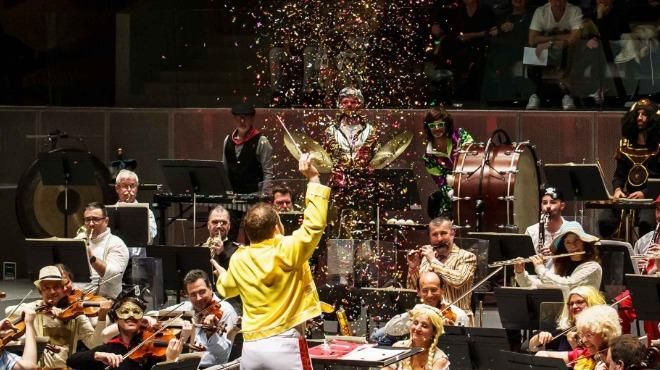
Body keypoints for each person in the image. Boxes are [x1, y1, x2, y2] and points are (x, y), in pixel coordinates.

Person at [212, 154, 328, 370]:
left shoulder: (239, 258)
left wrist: (221, 275)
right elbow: (314, 226)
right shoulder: (287, 248)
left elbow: (227, 289)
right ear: (277, 227)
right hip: (286, 343)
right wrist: (313, 178)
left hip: (252, 347)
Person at [102, 270, 238, 368]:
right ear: (186, 295)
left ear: (210, 288)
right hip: (181, 362)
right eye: (193, 294)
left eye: (202, 292)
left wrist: (212, 334)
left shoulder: (225, 310)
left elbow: (222, 356)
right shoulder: (187, 306)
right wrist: (149, 318)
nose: (198, 299)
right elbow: (158, 313)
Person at [5, 265, 110, 368]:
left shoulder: (75, 314)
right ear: (40, 291)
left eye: (56, 287)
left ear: (63, 288)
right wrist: (39, 310)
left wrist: (102, 317)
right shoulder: (34, 309)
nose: (52, 292)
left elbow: (94, 344)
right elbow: (8, 310)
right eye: (46, 288)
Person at [67, 292, 185, 370]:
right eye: (124, 312)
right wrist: (97, 355)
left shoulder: (154, 349)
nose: (131, 316)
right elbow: (71, 360)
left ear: (142, 317)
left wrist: (170, 360)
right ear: (117, 318)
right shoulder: (110, 348)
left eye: (136, 312)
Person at [599, 99, 660, 238]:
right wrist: (618, 189)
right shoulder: (625, 145)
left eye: (644, 114)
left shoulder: (658, 147)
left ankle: (645, 257)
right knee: (605, 221)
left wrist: (645, 193)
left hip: (652, 198)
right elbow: (619, 175)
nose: (640, 118)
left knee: (646, 223)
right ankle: (612, 257)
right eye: (637, 114)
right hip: (628, 196)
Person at [322, 87, 380, 231]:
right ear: (339, 104)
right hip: (339, 185)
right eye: (345, 102)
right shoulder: (331, 130)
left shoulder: (370, 130)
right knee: (337, 226)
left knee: (364, 226)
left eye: (354, 102)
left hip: (364, 183)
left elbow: (378, 157)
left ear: (360, 104)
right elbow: (324, 157)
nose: (349, 105)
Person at [407, 217, 477, 324]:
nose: (439, 239)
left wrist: (433, 261)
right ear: (429, 237)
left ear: (453, 233)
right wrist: (413, 269)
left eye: (443, 233)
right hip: (429, 320)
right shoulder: (427, 258)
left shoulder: (467, 257)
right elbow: (416, 290)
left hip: (458, 320)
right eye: (434, 235)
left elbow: (458, 281)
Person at [222, 102, 274, 241]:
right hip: (233, 198)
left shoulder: (261, 141)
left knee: (252, 237)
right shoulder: (228, 140)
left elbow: (268, 172)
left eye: (246, 117)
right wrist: (224, 194)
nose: (242, 121)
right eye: (239, 117)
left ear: (252, 119)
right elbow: (224, 170)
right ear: (234, 119)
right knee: (229, 236)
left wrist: (264, 199)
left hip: (253, 198)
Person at [373, 271, 469, 345]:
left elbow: (461, 346)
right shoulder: (417, 311)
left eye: (434, 290)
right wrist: (411, 315)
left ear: (442, 289)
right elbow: (389, 330)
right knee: (378, 336)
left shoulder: (457, 314)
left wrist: (448, 331)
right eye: (425, 291)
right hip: (416, 352)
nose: (429, 295)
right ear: (418, 292)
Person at [525, 0, 583, 110]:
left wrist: (550, 42)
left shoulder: (574, 10)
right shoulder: (540, 11)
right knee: (532, 50)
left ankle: (566, 95)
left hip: (566, 51)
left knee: (571, 48)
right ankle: (535, 94)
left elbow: (575, 37)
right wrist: (553, 41)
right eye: (554, 1)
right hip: (545, 50)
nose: (558, 4)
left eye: (560, 1)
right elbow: (532, 39)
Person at [421, 107, 474, 219]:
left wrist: (464, 154)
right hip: (451, 197)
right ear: (428, 128)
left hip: (473, 186)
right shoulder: (428, 157)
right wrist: (452, 195)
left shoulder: (460, 135)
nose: (436, 129)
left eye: (440, 125)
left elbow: (476, 155)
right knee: (444, 225)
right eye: (432, 126)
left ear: (446, 124)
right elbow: (441, 183)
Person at [536, 304, 622, 370]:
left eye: (589, 335)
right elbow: (541, 355)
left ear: (606, 334)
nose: (584, 340)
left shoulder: (618, 358)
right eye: (582, 335)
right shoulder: (585, 354)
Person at [514, 227, 602, 290]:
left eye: (576, 241)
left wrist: (540, 268)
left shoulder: (593, 267)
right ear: (564, 246)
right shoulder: (564, 267)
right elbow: (538, 286)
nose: (572, 246)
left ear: (585, 243)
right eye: (568, 242)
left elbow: (567, 285)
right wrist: (520, 272)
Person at [526, 285, 606, 352]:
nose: (574, 306)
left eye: (580, 302)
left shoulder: (600, 331)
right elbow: (532, 347)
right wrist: (539, 337)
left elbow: (593, 360)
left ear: (592, 304)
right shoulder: (567, 331)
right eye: (571, 304)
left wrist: (574, 346)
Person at [76, 202, 130, 299]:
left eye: (96, 219)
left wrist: (91, 257)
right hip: (76, 299)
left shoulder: (116, 243)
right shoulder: (79, 239)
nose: (91, 224)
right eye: (87, 220)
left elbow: (114, 276)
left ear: (106, 221)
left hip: (105, 301)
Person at [382, 304, 450, 370]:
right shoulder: (398, 347)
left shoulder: (440, 359)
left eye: (424, 326)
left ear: (434, 332)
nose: (417, 328)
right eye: (416, 323)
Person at [524, 187, 583, 263]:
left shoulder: (573, 227)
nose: (548, 206)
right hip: (538, 273)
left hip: (566, 273)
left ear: (562, 206)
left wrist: (555, 253)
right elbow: (526, 260)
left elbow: (581, 256)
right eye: (545, 203)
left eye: (553, 202)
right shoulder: (531, 231)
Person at [114, 169, 157, 253]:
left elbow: (150, 238)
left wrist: (132, 210)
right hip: (116, 258)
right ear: (117, 188)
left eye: (132, 186)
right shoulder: (109, 212)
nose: (129, 190)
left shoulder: (147, 211)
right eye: (125, 186)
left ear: (137, 188)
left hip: (138, 260)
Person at [203, 205, 239, 271]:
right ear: (208, 225)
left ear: (229, 226)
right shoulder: (199, 248)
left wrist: (222, 254)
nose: (219, 226)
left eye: (224, 223)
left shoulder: (238, 250)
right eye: (215, 222)